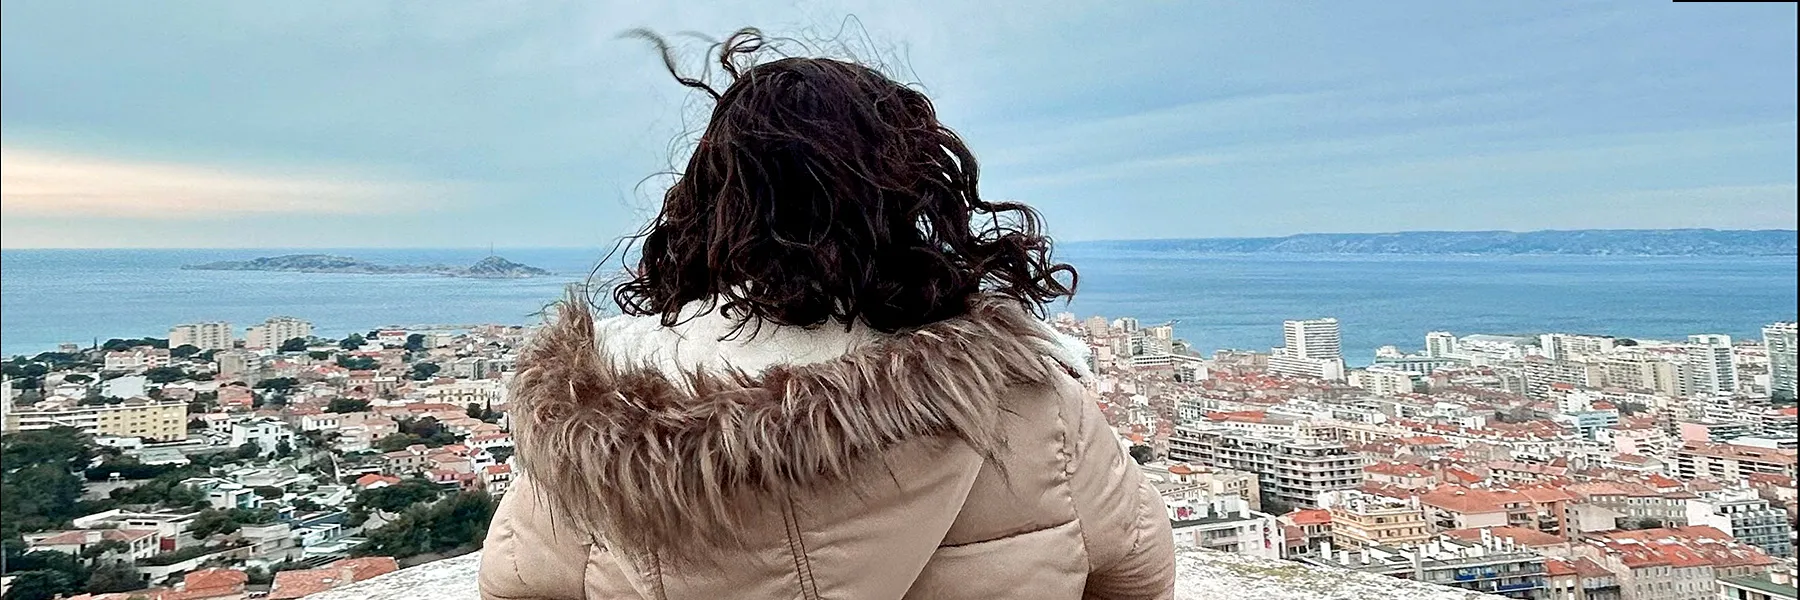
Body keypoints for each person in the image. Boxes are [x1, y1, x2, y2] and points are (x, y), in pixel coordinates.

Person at [479, 28, 1175, 600]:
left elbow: (515, 583)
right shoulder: (1030, 403)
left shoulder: (590, 423)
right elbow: (1138, 573)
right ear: (910, 200)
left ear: (708, 207)